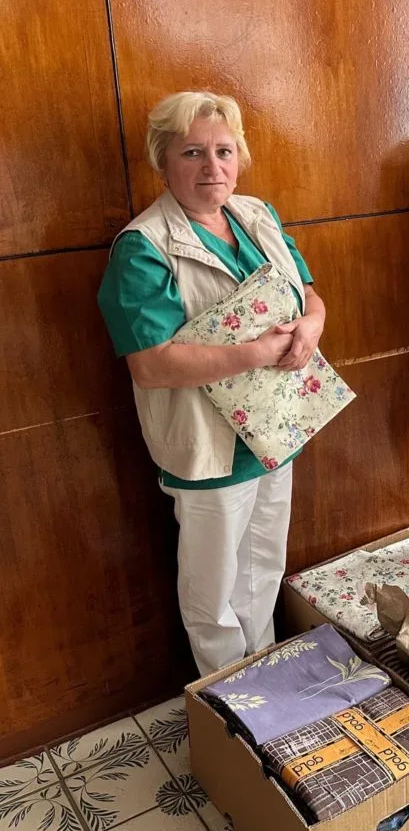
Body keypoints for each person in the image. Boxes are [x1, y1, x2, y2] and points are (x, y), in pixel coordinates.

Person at [97, 92, 326, 676]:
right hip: (207, 447)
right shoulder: (142, 247)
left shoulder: (257, 216)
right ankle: (230, 706)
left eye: (224, 151)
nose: (212, 167)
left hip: (273, 430)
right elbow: (151, 363)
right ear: (163, 161)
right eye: (193, 152)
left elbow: (308, 292)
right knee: (214, 596)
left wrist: (312, 327)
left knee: (263, 572)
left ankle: (266, 684)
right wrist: (253, 353)